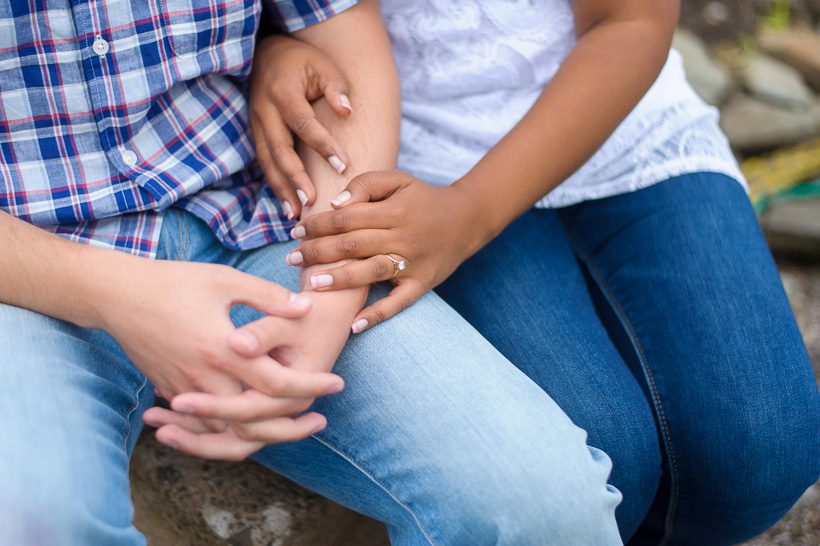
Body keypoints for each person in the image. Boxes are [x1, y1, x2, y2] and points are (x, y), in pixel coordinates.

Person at [0, 1, 623, 545]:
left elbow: (341, 41)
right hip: (31, 274)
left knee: (542, 502)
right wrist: (117, 295)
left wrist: (328, 299)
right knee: (36, 523)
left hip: (263, 225)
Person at [228, 0, 820, 544]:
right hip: (420, 164)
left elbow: (631, 22)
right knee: (603, 455)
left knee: (763, 455)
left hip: (622, 122)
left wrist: (469, 214)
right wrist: (274, 46)